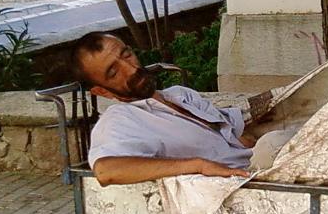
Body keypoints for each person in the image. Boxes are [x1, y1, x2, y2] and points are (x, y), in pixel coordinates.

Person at [72, 32, 254, 186]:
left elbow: (234, 132)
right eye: (113, 72)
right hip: (240, 183)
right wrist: (198, 165)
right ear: (102, 90)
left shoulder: (179, 94)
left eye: (127, 55)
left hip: (252, 161)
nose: (132, 68)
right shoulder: (120, 119)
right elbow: (106, 171)